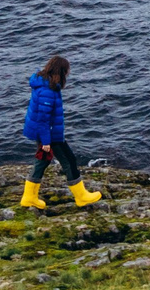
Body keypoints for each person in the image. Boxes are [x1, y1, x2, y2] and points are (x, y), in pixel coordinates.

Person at [21, 54, 101, 208]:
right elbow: (43, 118)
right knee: (69, 160)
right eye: (66, 71)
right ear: (60, 71)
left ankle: (28, 197)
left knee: (42, 162)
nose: (68, 74)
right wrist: (46, 142)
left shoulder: (44, 83)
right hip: (49, 134)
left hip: (46, 132)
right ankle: (81, 196)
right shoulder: (48, 91)